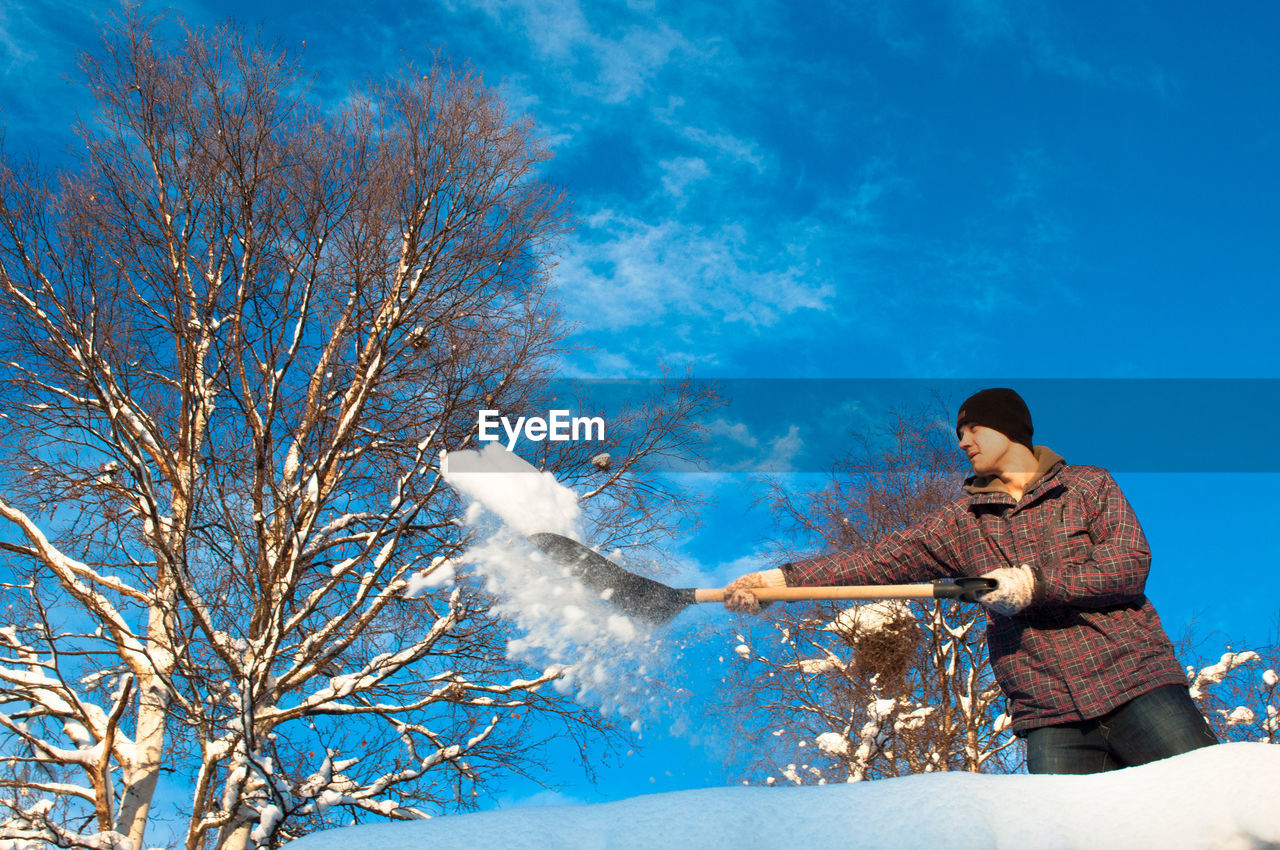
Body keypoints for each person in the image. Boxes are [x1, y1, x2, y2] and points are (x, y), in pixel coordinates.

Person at [725, 388, 1217, 774]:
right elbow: (878, 561)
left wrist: (1034, 585)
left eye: (973, 428)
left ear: (1009, 428)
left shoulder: (1087, 485)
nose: (963, 442)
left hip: (1135, 682)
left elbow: (1127, 564)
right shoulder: (961, 521)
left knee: (1214, 811)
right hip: (1049, 714)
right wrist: (778, 581)